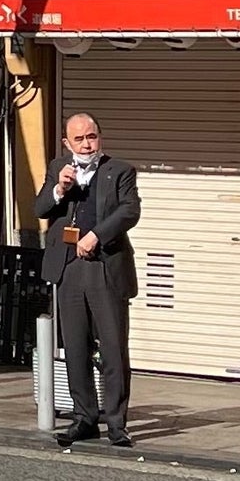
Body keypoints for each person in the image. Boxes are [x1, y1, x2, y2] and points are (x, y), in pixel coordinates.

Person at [35, 112, 142, 448]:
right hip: (67, 266)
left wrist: (96, 235)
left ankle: (116, 422)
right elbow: (40, 208)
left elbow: (129, 211)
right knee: (76, 348)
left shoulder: (120, 171)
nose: (86, 144)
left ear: (100, 137)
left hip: (104, 265)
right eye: (79, 139)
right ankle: (84, 418)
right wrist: (59, 188)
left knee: (112, 347)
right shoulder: (58, 168)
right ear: (67, 143)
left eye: (91, 137)